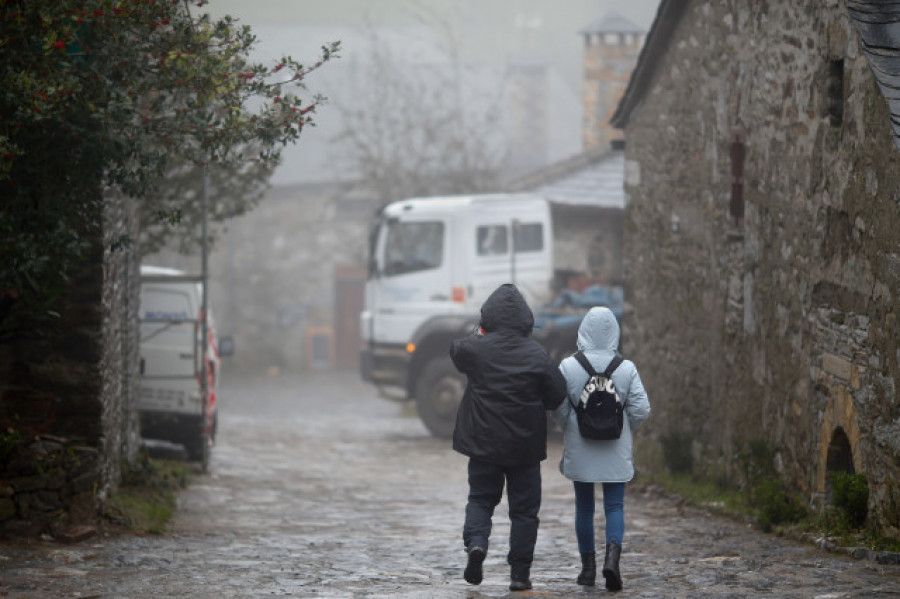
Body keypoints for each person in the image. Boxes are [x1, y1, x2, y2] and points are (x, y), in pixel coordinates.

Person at [450, 283, 567, 592]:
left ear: (488, 316)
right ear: (526, 320)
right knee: (525, 511)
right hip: (524, 448)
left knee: (480, 499)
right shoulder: (538, 354)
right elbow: (557, 395)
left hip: (483, 443)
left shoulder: (475, 349)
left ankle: (477, 545)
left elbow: (456, 349)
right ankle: (519, 574)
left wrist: (480, 333)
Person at [553, 306, 650, 592]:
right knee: (615, 505)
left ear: (583, 329)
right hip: (615, 448)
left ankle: (587, 569)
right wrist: (624, 429)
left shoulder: (568, 366)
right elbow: (642, 409)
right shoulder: (626, 368)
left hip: (580, 447)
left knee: (584, 507)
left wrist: (570, 426)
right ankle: (613, 561)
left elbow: (557, 407)